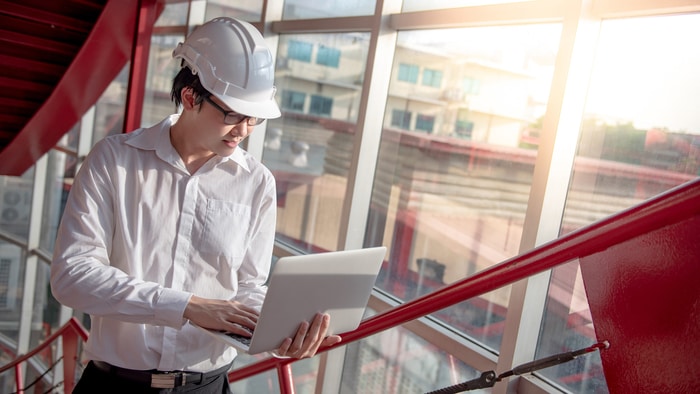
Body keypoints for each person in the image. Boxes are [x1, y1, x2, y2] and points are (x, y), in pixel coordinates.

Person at [50, 17, 341, 393]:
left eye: (254, 118)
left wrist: (281, 329)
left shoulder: (256, 183)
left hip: (209, 385)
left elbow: (248, 286)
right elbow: (72, 276)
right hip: (115, 385)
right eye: (233, 114)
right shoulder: (114, 161)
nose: (244, 130)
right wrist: (187, 305)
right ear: (190, 97)